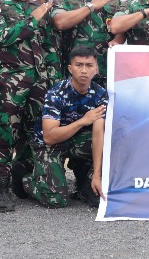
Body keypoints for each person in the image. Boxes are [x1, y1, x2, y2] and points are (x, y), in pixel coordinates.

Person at [0, 0, 56, 213]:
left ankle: (23, 179)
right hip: (10, 82)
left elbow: (48, 46)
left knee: (34, 132)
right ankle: (1, 189)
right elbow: (0, 37)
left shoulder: (38, 6)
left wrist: (53, 79)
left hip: (40, 81)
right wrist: (33, 20)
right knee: (5, 134)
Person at [25, 46, 108, 209]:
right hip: (49, 144)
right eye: (79, 65)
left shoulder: (101, 94)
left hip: (76, 140)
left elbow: (99, 135)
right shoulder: (56, 93)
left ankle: (87, 185)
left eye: (89, 65)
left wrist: (97, 175)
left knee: (111, 141)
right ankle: (27, 180)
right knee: (56, 200)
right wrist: (82, 121)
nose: (84, 70)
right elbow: (49, 137)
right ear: (70, 68)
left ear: (96, 69)